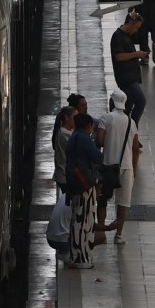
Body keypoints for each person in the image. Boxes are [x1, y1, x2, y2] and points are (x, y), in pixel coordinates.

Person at [98, 89, 140, 245]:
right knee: (123, 203)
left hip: (108, 165)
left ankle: (101, 231)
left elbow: (100, 142)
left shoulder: (106, 118)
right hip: (127, 166)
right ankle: (119, 235)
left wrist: (109, 140)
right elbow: (135, 148)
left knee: (102, 200)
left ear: (111, 102)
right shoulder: (131, 122)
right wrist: (134, 169)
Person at [65, 113, 105, 269]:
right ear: (88, 126)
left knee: (77, 219)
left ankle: (75, 256)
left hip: (74, 184)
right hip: (84, 185)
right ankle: (83, 258)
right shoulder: (84, 138)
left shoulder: (73, 137)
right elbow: (98, 157)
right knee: (85, 220)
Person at [109, 11, 150, 124]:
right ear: (131, 23)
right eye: (136, 27)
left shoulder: (127, 36)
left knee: (127, 106)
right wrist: (136, 54)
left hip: (132, 77)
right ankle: (133, 128)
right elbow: (119, 56)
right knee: (141, 101)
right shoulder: (117, 36)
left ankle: (125, 130)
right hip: (126, 78)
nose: (136, 30)